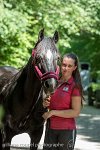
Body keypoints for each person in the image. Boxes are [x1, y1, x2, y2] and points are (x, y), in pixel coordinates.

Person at [42, 52, 84, 150]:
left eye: (70, 66)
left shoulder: (75, 86)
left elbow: (75, 112)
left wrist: (52, 112)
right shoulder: (54, 82)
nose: (66, 68)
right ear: (60, 64)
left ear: (74, 68)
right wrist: (45, 103)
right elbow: (48, 104)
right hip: (50, 129)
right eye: (64, 65)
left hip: (66, 131)